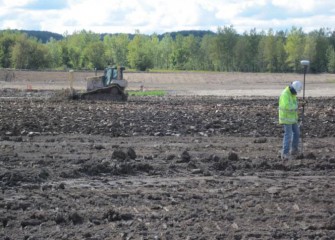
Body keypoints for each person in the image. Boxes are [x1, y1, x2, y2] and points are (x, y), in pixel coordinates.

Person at [278, 81, 303, 160]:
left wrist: (300, 104)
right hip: (286, 118)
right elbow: (286, 106)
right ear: (292, 88)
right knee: (288, 135)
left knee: (297, 133)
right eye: (296, 91)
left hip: (292, 118)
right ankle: (285, 153)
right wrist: (297, 106)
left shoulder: (292, 94)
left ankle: (294, 150)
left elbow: (294, 103)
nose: (296, 93)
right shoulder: (285, 94)